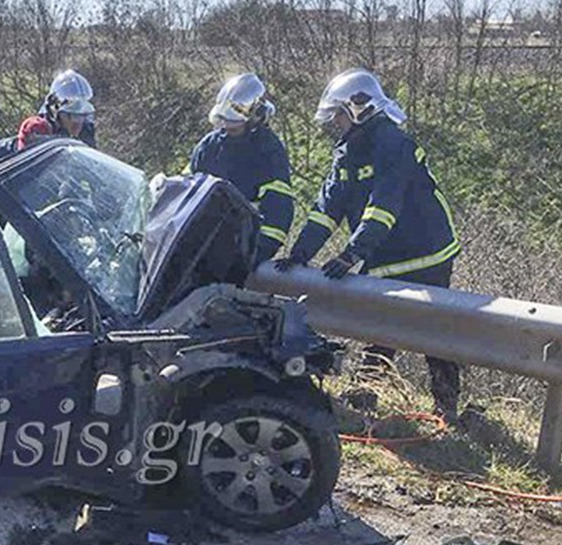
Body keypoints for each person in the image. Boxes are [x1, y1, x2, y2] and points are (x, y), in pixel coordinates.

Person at [276, 68, 463, 420]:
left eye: (339, 114)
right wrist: (301, 253)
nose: (335, 122)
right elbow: (326, 209)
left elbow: (384, 205)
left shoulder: (393, 143)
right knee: (380, 322)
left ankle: (445, 404)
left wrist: (352, 253)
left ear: (358, 108)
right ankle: (365, 393)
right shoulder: (347, 152)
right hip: (385, 250)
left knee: (433, 329)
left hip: (426, 251)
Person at [186, 73, 294, 266]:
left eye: (234, 125)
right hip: (203, 246)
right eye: (224, 122)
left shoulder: (268, 150)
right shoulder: (208, 147)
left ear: (255, 117)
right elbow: (186, 193)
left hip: (243, 246)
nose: (227, 128)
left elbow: (278, 209)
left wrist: (254, 256)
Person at [0, 69, 97, 171]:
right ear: (55, 112)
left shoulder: (84, 145)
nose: (78, 122)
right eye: (73, 115)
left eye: (83, 116)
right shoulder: (34, 139)